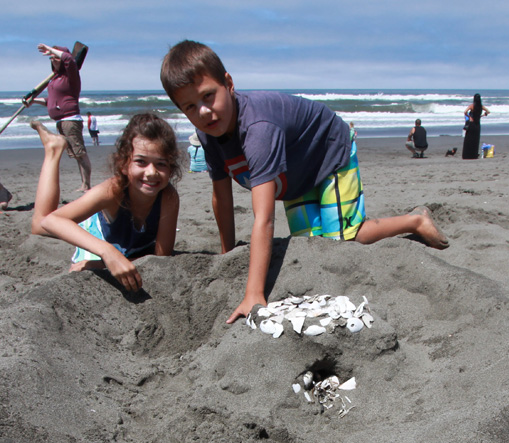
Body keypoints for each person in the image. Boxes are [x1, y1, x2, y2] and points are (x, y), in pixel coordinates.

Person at [160, 40, 448, 324]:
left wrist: (254, 293)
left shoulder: (258, 129)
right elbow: (221, 197)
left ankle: (415, 221)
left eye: (208, 96)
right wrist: (227, 252)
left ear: (229, 83)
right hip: (296, 175)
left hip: (329, 152)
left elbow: (264, 218)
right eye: (190, 107)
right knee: (312, 246)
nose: (204, 112)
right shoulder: (208, 136)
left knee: (342, 240)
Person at [29, 113, 180, 292]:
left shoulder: (168, 196)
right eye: (141, 161)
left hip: (127, 248)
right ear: (124, 164)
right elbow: (50, 221)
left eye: (161, 164)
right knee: (39, 224)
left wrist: (101, 264)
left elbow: (161, 257)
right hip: (98, 233)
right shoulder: (112, 191)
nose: (152, 172)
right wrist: (106, 252)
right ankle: (53, 150)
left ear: (171, 169)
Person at [26, 44, 92, 191]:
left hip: (71, 119)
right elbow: (51, 101)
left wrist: (50, 49)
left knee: (80, 153)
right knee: (75, 155)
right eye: (51, 58)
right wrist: (33, 101)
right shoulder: (55, 79)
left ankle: (86, 185)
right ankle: (84, 184)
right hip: (60, 121)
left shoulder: (71, 75)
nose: (53, 59)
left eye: (56, 57)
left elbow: (68, 59)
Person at [462, 94, 490, 160]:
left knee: (469, 140)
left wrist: (469, 117)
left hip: (472, 124)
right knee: (475, 140)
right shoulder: (481, 106)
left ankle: (467, 155)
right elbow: (488, 111)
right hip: (477, 124)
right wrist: (482, 115)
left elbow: (465, 112)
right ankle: (474, 155)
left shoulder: (472, 106)